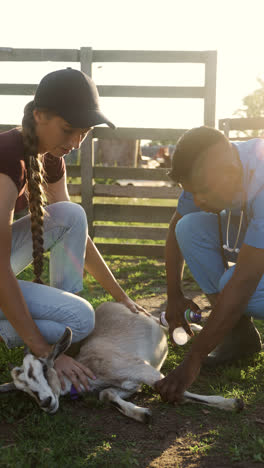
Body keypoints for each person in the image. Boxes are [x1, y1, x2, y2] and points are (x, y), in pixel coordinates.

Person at [0, 68, 145, 393]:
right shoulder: (6, 158)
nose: (76, 142)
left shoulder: (50, 155)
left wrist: (121, 297)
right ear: (39, 115)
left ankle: (63, 326)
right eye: (68, 130)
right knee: (81, 319)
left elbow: (72, 229)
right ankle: (57, 336)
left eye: (84, 132)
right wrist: (43, 348)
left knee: (70, 213)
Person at [155, 126, 264, 403]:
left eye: (203, 192)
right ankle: (237, 334)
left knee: (232, 283)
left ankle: (227, 325)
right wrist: (174, 295)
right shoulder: (213, 166)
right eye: (193, 192)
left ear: (230, 173)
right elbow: (176, 228)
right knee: (189, 227)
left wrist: (194, 359)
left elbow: (244, 281)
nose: (198, 200)